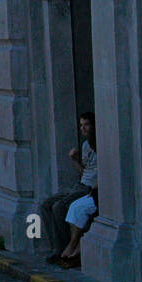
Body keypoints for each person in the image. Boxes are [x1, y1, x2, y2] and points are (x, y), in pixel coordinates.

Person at [41, 112, 97, 263]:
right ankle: (56, 247)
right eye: (81, 125)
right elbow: (84, 172)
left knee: (59, 207)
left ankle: (65, 249)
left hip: (89, 189)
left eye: (86, 125)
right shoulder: (85, 145)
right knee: (46, 204)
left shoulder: (100, 145)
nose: (83, 128)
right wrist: (74, 160)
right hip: (80, 184)